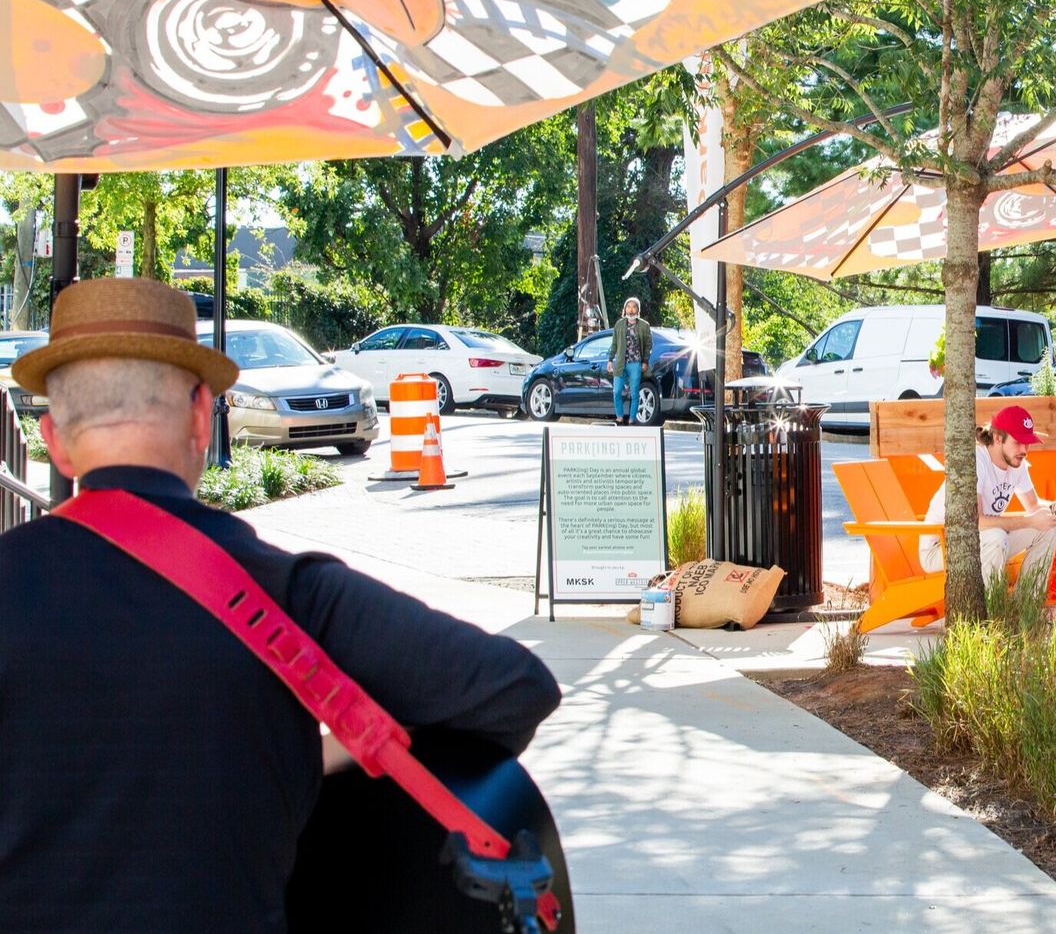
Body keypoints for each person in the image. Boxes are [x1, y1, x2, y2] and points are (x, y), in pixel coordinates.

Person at [0, 279, 563, 932]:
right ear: (202, 416)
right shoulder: (287, 592)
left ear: (53, 439)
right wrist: (324, 755)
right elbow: (515, 688)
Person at [921, 404, 1056, 602]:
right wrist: (1030, 520)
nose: (1024, 450)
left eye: (1027, 443)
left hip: (982, 541)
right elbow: (976, 522)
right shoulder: (975, 461)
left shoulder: (1016, 463)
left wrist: (1055, 508)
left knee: (1048, 529)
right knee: (995, 536)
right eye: (1018, 442)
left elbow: (1034, 506)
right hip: (942, 547)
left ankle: (1025, 606)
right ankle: (993, 612)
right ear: (997, 438)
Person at [607, 296, 652, 425]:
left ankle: (632, 419)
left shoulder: (644, 325)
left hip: (635, 363)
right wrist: (610, 359)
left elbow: (648, 345)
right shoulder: (619, 324)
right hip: (620, 362)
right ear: (625, 309)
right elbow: (614, 344)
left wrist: (645, 361)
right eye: (628, 307)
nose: (631, 310)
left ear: (638, 310)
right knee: (616, 391)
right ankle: (620, 417)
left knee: (634, 393)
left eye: (633, 307)